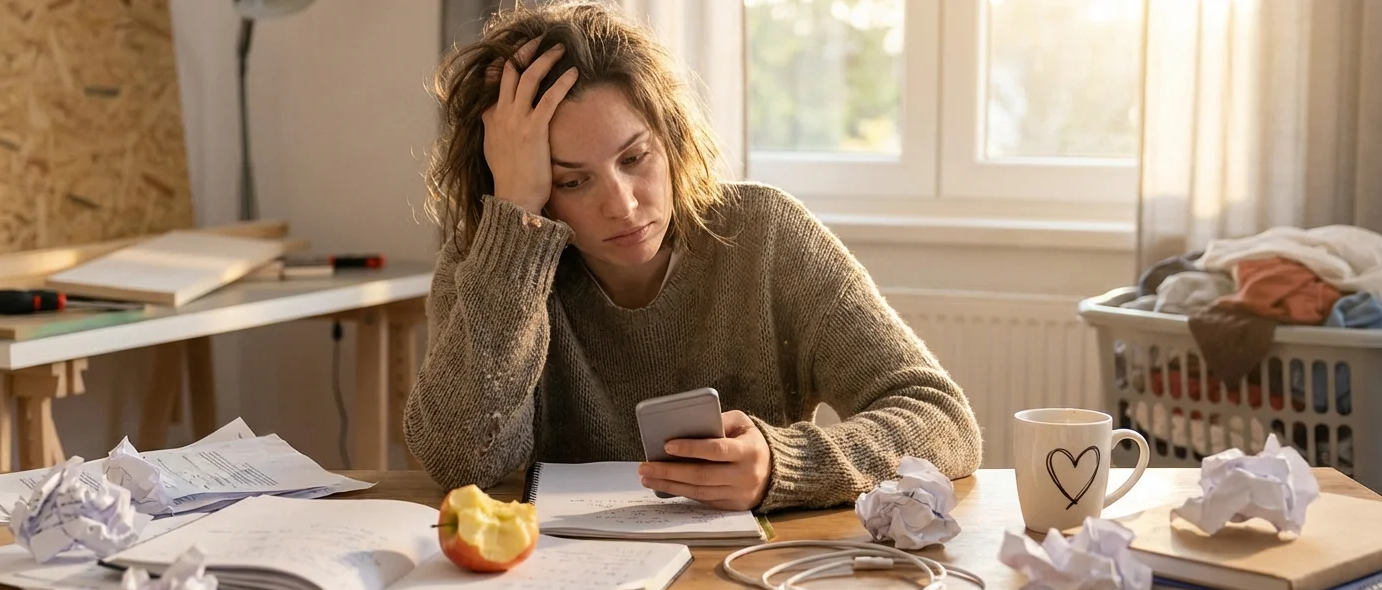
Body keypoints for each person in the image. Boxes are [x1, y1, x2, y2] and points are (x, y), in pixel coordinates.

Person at [407, 0, 982, 513]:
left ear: (672, 136)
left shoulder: (765, 234)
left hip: (744, 589)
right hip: (563, 584)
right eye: (573, 182)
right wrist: (516, 223)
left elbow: (943, 420)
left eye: (635, 158)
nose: (623, 205)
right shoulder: (493, 255)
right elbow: (462, 463)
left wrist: (784, 465)